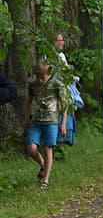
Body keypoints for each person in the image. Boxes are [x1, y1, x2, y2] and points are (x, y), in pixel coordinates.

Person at [24, 61, 68, 189]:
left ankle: (45, 180)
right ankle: (43, 165)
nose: (40, 80)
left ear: (48, 73)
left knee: (48, 149)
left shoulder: (57, 84)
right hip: (36, 121)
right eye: (37, 77)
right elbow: (29, 101)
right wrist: (26, 117)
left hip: (51, 122)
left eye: (42, 77)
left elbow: (64, 105)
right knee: (31, 148)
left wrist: (63, 123)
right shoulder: (33, 85)